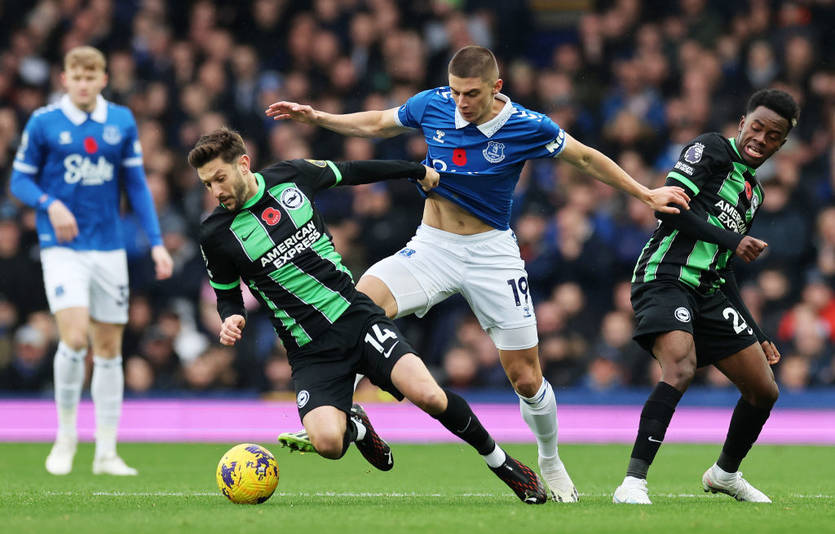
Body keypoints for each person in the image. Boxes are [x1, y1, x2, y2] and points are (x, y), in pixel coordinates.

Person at [266, 45, 691, 502]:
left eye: (471, 94)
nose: (461, 103)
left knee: (527, 378)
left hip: (491, 254)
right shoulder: (433, 104)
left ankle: (549, 458)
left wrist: (645, 193)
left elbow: (586, 158)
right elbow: (377, 123)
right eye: (456, 92)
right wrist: (317, 117)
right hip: (432, 246)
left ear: (496, 88)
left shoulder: (528, 126)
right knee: (358, 303)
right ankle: (342, 411)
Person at [189, 127, 548, 504]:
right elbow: (227, 295)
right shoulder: (215, 233)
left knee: (428, 395)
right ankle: (357, 427)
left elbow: (353, 170)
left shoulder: (292, 176)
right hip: (310, 352)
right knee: (328, 443)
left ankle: (501, 462)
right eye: (207, 184)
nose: (216, 191)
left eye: (220, 178)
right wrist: (231, 317)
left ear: (243, 164)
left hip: (357, 319)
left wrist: (412, 169)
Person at [612, 89, 800, 504]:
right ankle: (633, 482)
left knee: (764, 390)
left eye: (773, 136)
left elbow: (722, 262)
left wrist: (755, 328)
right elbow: (668, 209)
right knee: (680, 366)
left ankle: (724, 474)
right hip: (665, 276)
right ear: (741, 123)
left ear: (781, 144)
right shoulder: (709, 148)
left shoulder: (754, 192)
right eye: (756, 127)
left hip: (710, 290)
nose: (761, 139)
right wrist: (733, 239)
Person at [10, 46, 173, 476]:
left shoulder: (120, 121)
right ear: (65, 79)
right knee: (76, 337)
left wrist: (155, 242)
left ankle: (106, 452)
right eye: (76, 76)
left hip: (109, 248)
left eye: (91, 76)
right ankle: (65, 437)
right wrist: (50, 204)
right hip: (62, 248)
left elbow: (136, 185)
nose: (83, 83)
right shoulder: (44, 122)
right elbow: (18, 180)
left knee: (108, 350)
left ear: (103, 78)